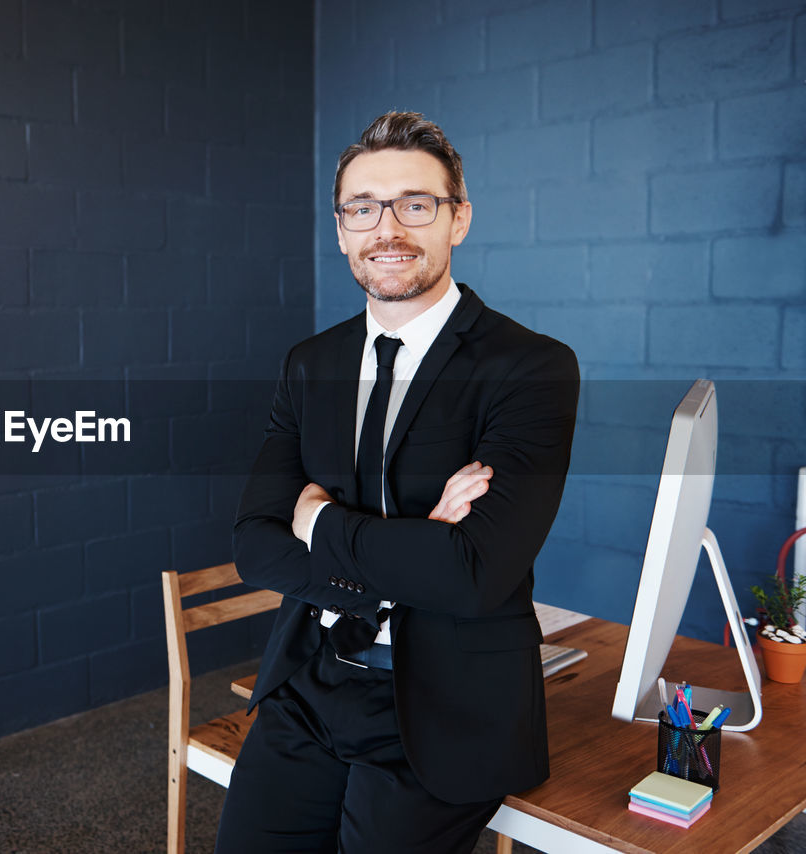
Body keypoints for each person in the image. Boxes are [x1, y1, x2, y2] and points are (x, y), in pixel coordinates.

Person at [215, 111, 580, 853]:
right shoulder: (310, 363)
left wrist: (319, 523)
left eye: (416, 205)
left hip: (448, 706)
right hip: (312, 681)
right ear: (342, 227)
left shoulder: (530, 367)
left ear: (459, 219)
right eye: (364, 208)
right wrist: (413, 554)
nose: (389, 229)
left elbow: (475, 575)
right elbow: (254, 544)